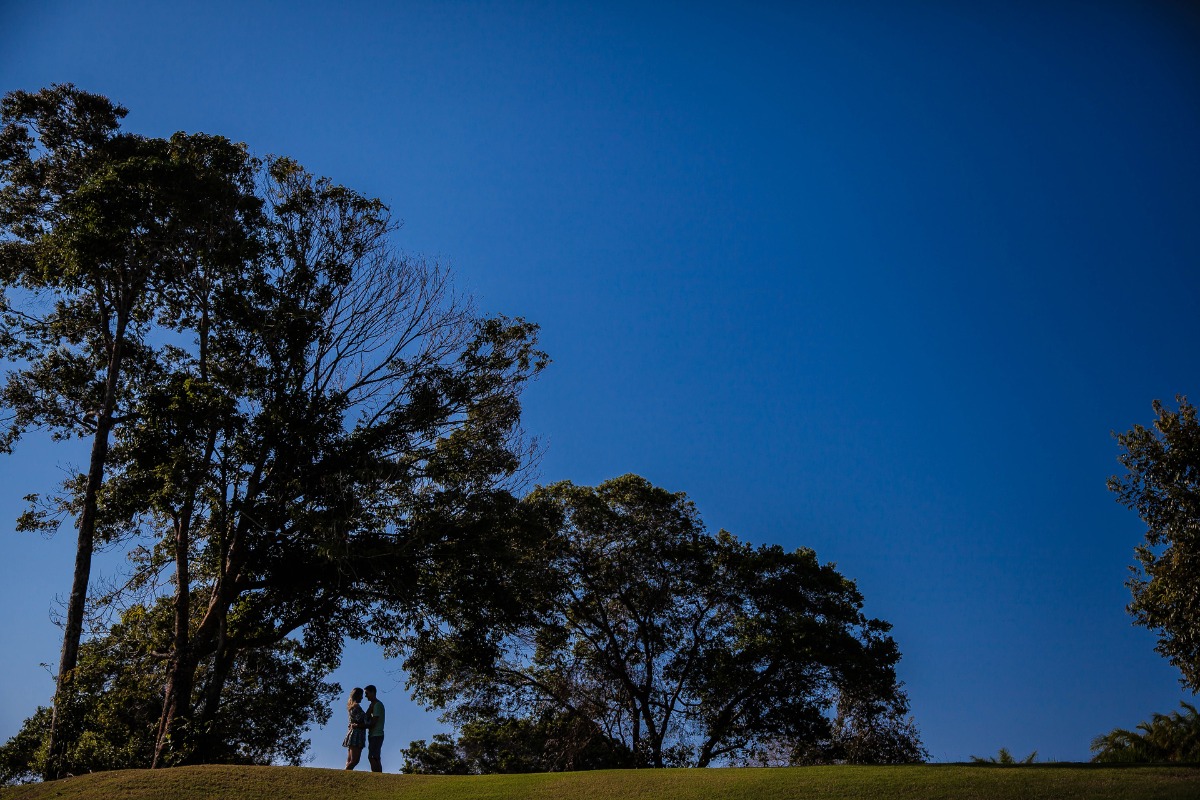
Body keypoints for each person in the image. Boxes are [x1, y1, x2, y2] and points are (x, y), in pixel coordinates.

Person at [342, 687, 368, 769]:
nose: (362, 697)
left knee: (350, 760)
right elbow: (363, 719)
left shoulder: (351, 706)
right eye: (361, 695)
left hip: (353, 733)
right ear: (358, 695)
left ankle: (346, 774)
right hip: (357, 734)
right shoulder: (356, 707)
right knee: (354, 760)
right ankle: (345, 774)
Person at [363, 684, 385, 772]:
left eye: (367, 693)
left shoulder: (378, 705)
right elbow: (366, 717)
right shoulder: (373, 705)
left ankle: (377, 775)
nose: (365, 696)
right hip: (373, 734)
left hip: (377, 734)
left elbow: (373, 722)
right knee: (375, 756)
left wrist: (361, 726)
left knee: (373, 757)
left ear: (373, 692)